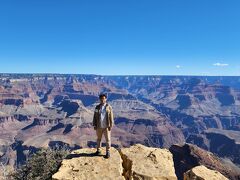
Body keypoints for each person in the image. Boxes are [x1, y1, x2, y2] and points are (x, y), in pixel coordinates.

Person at [92, 93, 114, 158]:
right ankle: (98, 150)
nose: (102, 100)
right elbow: (95, 116)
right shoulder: (97, 107)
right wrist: (94, 124)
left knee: (108, 140)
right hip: (99, 126)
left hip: (106, 126)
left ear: (106, 99)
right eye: (101, 99)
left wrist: (111, 125)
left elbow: (111, 117)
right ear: (99, 99)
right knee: (99, 139)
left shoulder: (109, 107)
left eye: (103, 99)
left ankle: (108, 152)